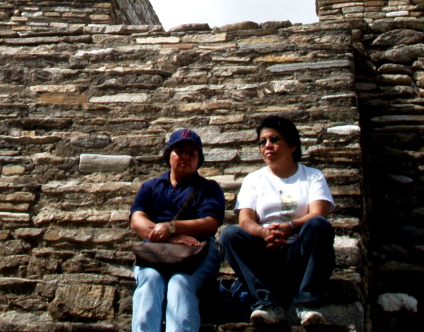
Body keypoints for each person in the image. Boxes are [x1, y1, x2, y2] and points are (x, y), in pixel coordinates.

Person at [219, 116, 336, 326]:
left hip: (300, 253)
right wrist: (264, 233)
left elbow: (319, 212)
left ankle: (307, 303)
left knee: (318, 226)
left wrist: (290, 227)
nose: (267, 146)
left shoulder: (312, 176)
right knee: (230, 235)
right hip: (266, 254)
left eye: (274, 139)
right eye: (262, 142)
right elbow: (245, 220)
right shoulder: (253, 180)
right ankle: (268, 303)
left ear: (292, 145)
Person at [130, 129, 225, 332]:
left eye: (192, 153)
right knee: (150, 280)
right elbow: (137, 220)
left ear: (199, 159)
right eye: (179, 151)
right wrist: (167, 236)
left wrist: (172, 228)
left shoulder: (208, 188)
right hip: (155, 250)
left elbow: (210, 223)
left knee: (180, 284)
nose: (185, 156)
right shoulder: (151, 187)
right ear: (169, 155)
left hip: (196, 252)